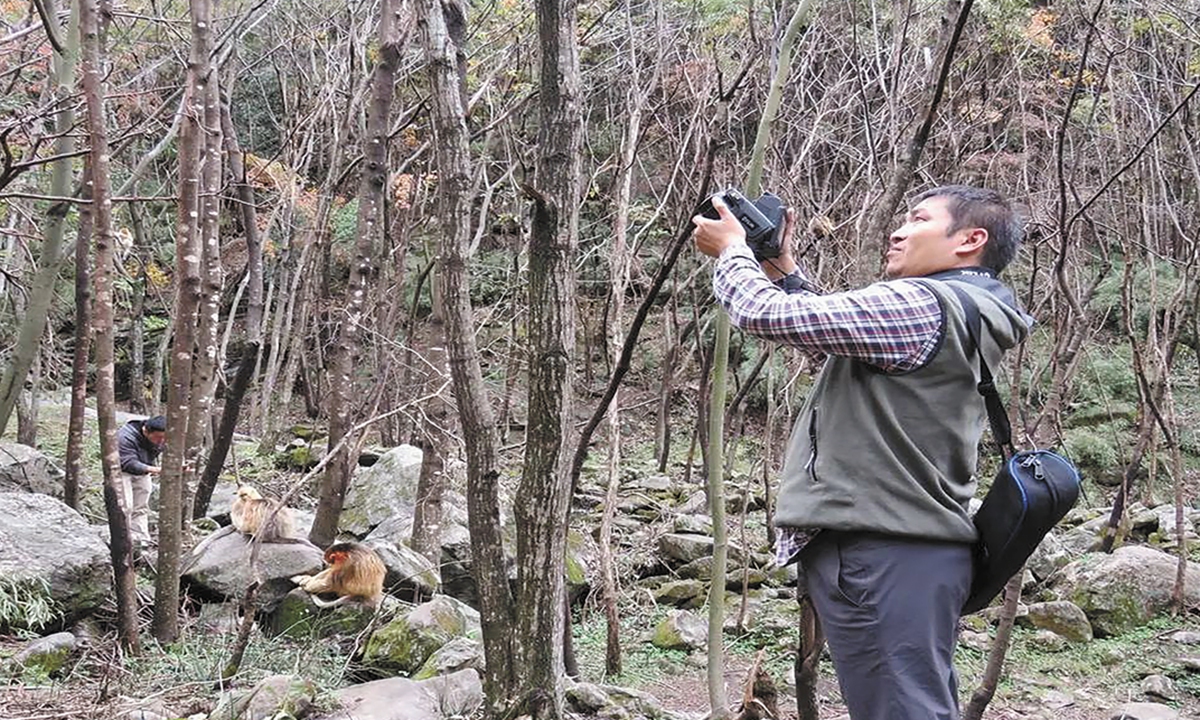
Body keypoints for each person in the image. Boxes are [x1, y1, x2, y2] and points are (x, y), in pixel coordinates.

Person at [692, 185, 1033, 720]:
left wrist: (733, 250)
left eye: (918, 219)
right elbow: (826, 331)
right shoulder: (969, 308)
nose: (898, 230)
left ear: (971, 240)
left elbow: (763, 315)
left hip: (881, 550)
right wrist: (782, 266)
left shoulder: (920, 302)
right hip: (911, 549)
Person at [117, 414, 166, 545]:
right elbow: (127, 462)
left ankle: (141, 540)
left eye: (164, 438)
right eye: (158, 437)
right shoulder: (125, 437)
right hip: (122, 472)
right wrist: (155, 469)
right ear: (146, 431)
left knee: (141, 507)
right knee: (125, 506)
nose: (161, 441)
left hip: (143, 471)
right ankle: (123, 540)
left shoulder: (161, 437)